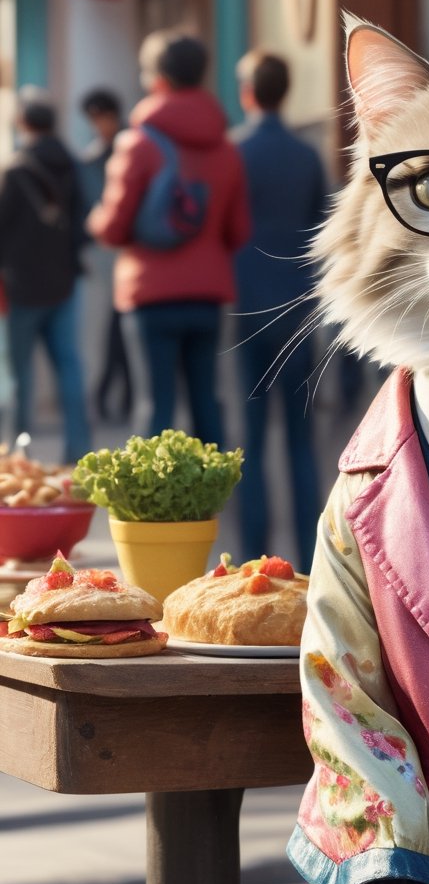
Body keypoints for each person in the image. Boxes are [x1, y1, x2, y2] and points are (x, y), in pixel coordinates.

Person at [88, 31, 250, 448]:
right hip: (208, 297)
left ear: (158, 78)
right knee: (206, 403)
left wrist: (96, 220)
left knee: (153, 406)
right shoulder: (226, 148)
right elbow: (238, 232)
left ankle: (152, 512)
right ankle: (214, 505)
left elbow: (114, 227)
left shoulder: (137, 143)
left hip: (149, 295)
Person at [232, 49, 327, 571]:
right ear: (285, 91)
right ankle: (313, 561)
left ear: (247, 93)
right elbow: (320, 232)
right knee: (300, 438)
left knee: (250, 437)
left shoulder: (235, 152)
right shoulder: (306, 155)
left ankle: (251, 557)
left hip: (244, 309)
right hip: (295, 309)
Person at [0, 87, 91, 461]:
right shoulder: (73, 163)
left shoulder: (14, 169)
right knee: (68, 365)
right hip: (64, 283)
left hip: (20, 287)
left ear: (22, 122)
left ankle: (19, 451)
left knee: (20, 374)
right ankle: (78, 447)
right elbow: (85, 225)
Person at [79, 88, 133, 423]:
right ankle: (107, 396)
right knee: (112, 333)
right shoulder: (89, 160)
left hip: (130, 256)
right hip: (105, 259)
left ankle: (113, 396)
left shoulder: (131, 147)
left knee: (120, 333)